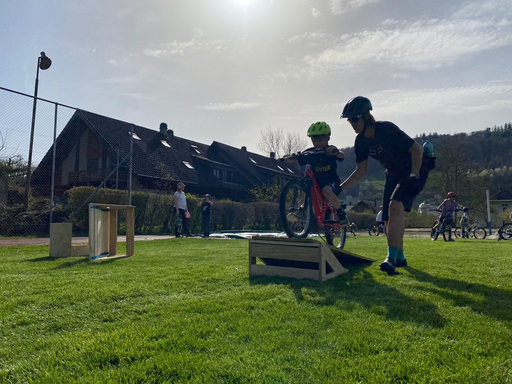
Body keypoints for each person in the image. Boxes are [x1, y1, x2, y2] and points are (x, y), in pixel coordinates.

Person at [339, 96, 434, 275]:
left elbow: (417, 150)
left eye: (354, 118)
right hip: (393, 173)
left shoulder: (387, 129)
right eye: (349, 120)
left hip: (415, 167)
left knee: (395, 206)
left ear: (367, 116)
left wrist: (414, 173)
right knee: (389, 217)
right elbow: (360, 172)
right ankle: (400, 257)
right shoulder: (361, 141)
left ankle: (390, 259)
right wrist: (340, 189)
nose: (351, 123)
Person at [283, 121, 348, 224]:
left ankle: (340, 213)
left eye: (320, 140)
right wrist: (289, 158)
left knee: (326, 191)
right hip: (315, 182)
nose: (317, 143)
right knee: (303, 190)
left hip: (330, 180)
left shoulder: (330, 150)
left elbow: (341, 156)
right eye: (314, 140)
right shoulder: (310, 152)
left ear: (328, 138)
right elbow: (298, 158)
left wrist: (335, 152)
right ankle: (301, 210)